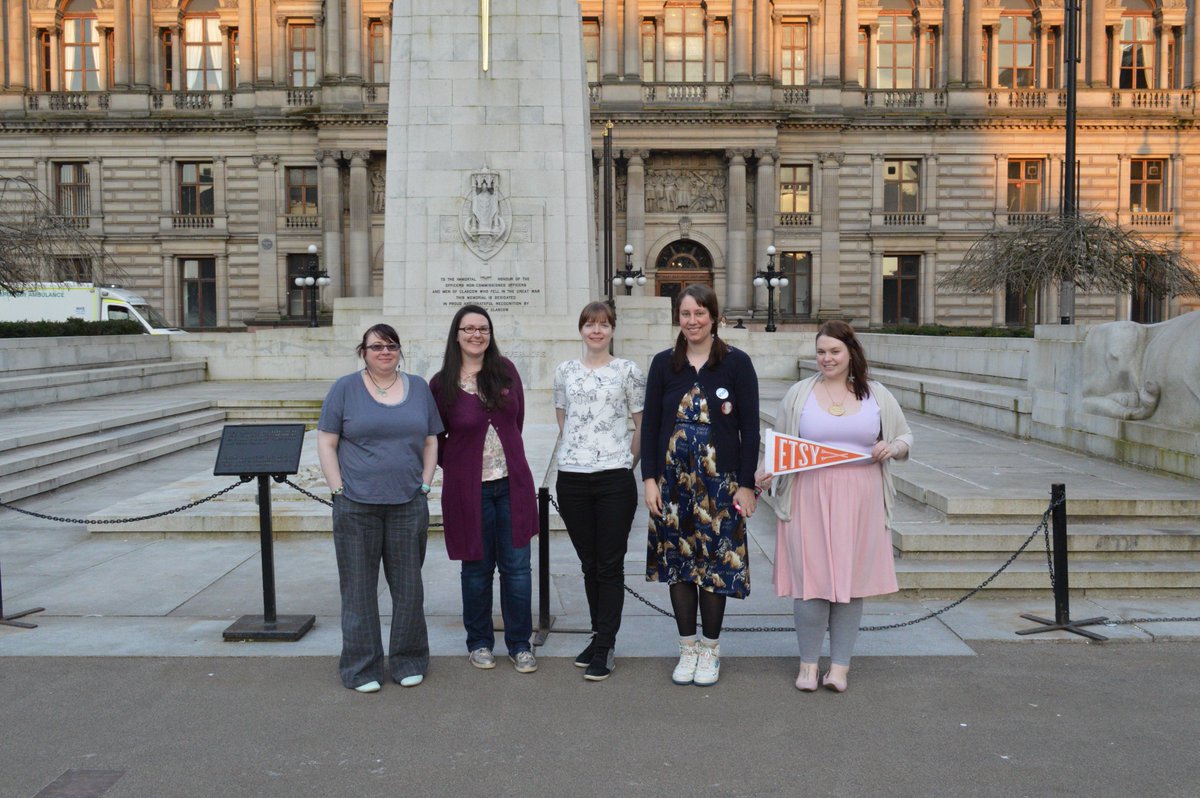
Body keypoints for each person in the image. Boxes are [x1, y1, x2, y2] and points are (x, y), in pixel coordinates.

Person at [758, 320, 913, 694]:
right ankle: (808, 665)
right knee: (810, 582)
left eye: (834, 351)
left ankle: (840, 667)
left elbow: (905, 437)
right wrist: (764, 472)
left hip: (861, 497)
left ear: (850, 353)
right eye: (821, 352)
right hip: (809, 494)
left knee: (849, 582)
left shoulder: (875, 394)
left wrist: (892, 448)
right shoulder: (799, 393)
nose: (826, 358)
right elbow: (778, 445)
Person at [641, 284, 760, 687]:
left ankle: (710, 650)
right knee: (679, 566)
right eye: (685, 314)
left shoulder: (736, 364)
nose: (692, 321)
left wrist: (747, 485)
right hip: (673, 486)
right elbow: (653, 426)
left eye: (700, 313)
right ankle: (687, 648)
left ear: (714, 316)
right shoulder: (663, 364)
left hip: (721, 487)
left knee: (714, 567)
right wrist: (649, 480)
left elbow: (750, 428)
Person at [316, 324, 442, 694]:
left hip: (407, 503)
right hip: (356, 506)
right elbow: (326, 442)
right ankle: (361, 666)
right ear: (363, 352)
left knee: (408, 589)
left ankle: (408, 661)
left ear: (399, 351)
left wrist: (425, 482)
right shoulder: (344, 388)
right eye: (376, 346)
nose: (384, 352)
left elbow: (432, 439)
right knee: (358, 589)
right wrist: (337, 488)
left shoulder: (418, 387)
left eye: (390, 346)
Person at [430, 305, 539, 674]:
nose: (476, 335)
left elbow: (516, 421)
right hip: (468, 491)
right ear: (456, 334)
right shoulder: (441, 382)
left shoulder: (505, 371)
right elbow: (436, 439)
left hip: (512, 486)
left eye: (483, 329)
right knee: (475, 569)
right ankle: (478, 641)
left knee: (517, 568)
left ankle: (520, 644)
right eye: (468, 328)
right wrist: (461, 466)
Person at [554, 302, 646, 681]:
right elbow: (563, 417)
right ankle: (598, 634)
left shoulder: (627, 371)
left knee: (609, 565)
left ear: (612, 330)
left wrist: (627, 463)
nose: (596, 330)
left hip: (613, 477)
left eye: (603, 324)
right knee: (588, 563)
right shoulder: (565, 371)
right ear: (580, 329)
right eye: (590, 324)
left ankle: (606, 645)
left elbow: (640, 423)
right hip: (572, 477)